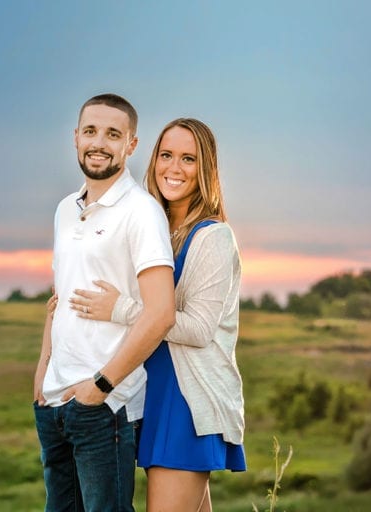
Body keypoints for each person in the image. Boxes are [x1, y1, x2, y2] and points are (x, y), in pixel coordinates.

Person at [65, 118, 247, 512]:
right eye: (166, 155)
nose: (174, 168)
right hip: (151, 394)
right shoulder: (153, 227)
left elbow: (199, 330)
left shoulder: (213, 237)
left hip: (186, 402)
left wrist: (121, 309)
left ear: (205, 169)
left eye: (188, 159)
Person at [33, 94, 177, 512]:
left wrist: (100, 387)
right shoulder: (65, 208)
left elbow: (161, 313)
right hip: (54, 401)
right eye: (90, 131)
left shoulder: (142, 212)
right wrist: (43, 368)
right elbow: (60, 294)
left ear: (131, 144)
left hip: (105, 406)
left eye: (113, 134)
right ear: (75, 137)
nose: (99, 143)